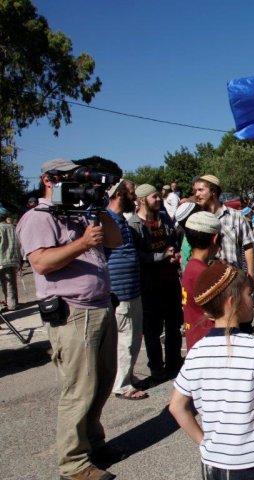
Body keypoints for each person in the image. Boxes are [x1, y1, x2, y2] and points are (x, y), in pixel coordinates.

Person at [16, 158, 122, 480]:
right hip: (73, 313)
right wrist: (81, 244)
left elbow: (115, 240)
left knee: (102, 383)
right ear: (49, 180)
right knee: (79, 389)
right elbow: (42, 263)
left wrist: (100, 207)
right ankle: (73, 463)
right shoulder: (37, 217)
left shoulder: (80, 213)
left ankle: (92, 442)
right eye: (69, 178)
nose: (78, 184)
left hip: (101, 307)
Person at [169, 261, 254, 480]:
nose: (253, 299)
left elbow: (177, 407)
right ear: (232, 302)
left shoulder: (196, 352)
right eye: (249, 294)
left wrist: (204, 441)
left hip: (213, 462)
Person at [128, 183, 183, 380]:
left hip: (170, 281)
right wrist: (161, 256)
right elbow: (136, 256)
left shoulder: (164, 219)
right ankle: (156, 368)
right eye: (154, 197)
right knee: (152, 330)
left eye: (159, 196)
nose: (159, 200)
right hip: (150, 286)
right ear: (142, 200)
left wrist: (175, 255)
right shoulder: (134, 225)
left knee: (174, 325)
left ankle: (174, 361)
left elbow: (173, 243)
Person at [193, 175, 254, 330]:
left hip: (235, 282)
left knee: (242, 324)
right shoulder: (197, 219)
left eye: (201, 190)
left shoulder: (235, 216)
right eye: (195, 191)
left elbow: (248, 246)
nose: (196, 194)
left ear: (213, 191)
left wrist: (251, 276)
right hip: (211, 285)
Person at [104, 179, 148, 401]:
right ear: (120, 194)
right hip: (120, 291)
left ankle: (128, 376)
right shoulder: (106, 220)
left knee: (133, 338)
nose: (136, 198)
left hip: (133, 289)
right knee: (126, 339)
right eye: (132, 193)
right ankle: (121, 385)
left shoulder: (122, 221)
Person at [181, 211, 223, 351]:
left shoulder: (191, 267)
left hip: (195, 341)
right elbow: (218, 313)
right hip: (208, 344)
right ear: (215, 238)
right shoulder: (203, 273)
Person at [0, 206, 20, 311]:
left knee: (6, 283)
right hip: (14, 257)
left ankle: (11, 304)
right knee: (12, 282)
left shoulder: (0, 227)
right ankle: (14, 302)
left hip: (3, 258)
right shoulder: (12, 227)